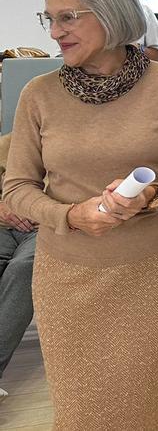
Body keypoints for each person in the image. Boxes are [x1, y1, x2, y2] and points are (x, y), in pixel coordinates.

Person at [3, 0, 158, 429]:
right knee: (82, 408)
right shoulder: (37, 95)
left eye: (68, 17)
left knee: (155, 401)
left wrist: (155, 195)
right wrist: (69, 215)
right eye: (49, 19)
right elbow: (16, 188)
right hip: (68, 271)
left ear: (111, 14)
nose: (56, 32)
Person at [0, 133, 37, 402]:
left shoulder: (85, 145)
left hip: (48, 229)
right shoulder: (8, 143)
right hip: (4, 223)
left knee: (23, 269)